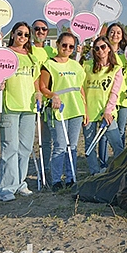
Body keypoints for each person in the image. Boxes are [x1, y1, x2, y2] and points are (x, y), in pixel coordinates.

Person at [0, 22, 41, 202]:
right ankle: (6, 187)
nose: (22, 37)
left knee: (25, 148)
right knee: (10, 148)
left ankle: (20, 182)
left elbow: (35, 79)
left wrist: (38, 92)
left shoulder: (31, 57)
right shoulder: (4, 53)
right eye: (19, 33)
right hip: (10, 106)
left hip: (28, 108)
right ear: (13, 34)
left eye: (26, 34)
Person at [39, 33, 87, 192]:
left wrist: (85, 111)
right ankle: (56, 180)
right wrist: (53, 95)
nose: (67, 49)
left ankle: (71, 177)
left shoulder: (76, 66)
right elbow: (43, 87)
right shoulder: (49, 64)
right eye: (64, 45)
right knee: (60, 145)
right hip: (58, 110)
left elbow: (80, 89)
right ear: (58, 44)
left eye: (71, 46)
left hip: (76, 109)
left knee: (72, 146)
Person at [82, 36, 124, 175]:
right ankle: (95, 172)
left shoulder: (116, 69)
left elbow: (115, 92)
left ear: (109, 49)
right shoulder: (87, 66)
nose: (100, 51)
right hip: (89, 112)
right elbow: (81, 87)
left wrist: (108, 111)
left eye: (103, 47)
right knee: (90, 144)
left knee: (116, 144)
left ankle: (120, 171)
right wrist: (84, 110)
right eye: (97, 48)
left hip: (107, 113)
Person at [31, 19, 55, 185]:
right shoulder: (28, 49)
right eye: (37, 29)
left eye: (44, 29)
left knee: (46, 139)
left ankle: (46, 169)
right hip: (29, 98)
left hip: (46, 100)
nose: (40, 32)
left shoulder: (51, 51)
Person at [106, 23, 127, 146]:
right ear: (107, 34)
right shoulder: (102, 54)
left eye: (118, 32)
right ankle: (103, 163)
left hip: (123, 97)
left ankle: (120, 159)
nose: (115, 35)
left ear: (122, 36)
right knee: (106, 131)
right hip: (107, 97)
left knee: (121, 130)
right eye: (112, 32)